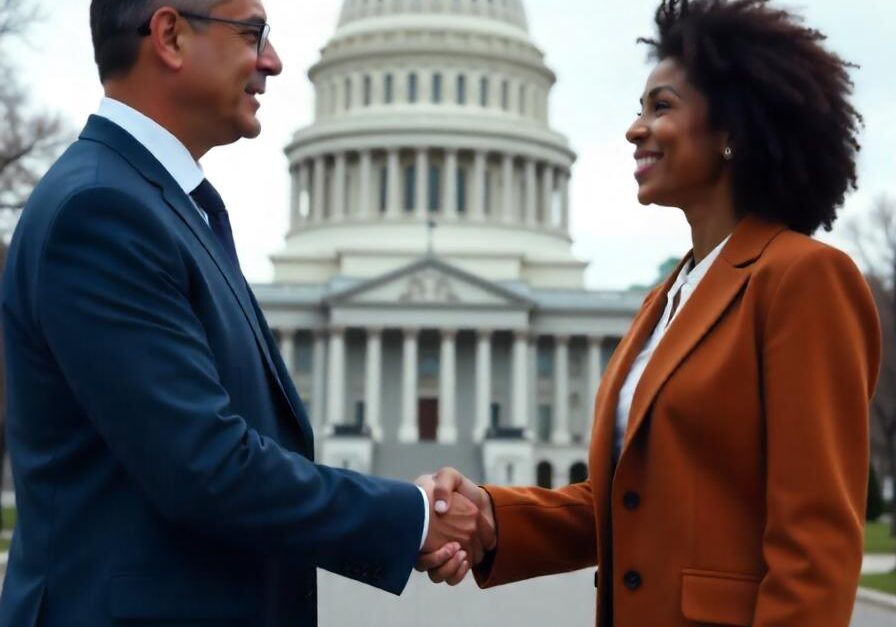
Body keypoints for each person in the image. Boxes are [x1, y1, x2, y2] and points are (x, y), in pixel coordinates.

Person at [0, 2, 477, 625]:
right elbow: (207, 466)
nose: (273, 62)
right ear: (169, 36)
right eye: (253, 34)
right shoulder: (102, 210)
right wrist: (414, 518)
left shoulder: (158, 203)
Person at [418, 1, 882, 625]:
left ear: (732, 131)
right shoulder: (667, 299)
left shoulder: (801, 278)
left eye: (661, 107)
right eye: (639, 109)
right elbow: (628, 501)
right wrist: (493, 517)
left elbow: (815, 543)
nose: (636, 129)